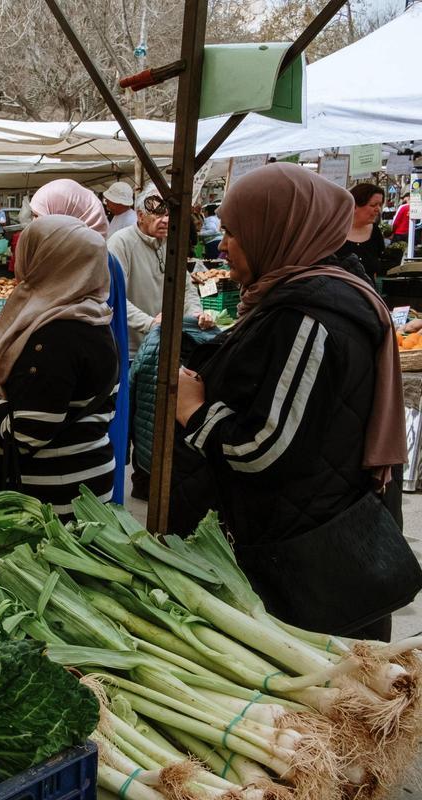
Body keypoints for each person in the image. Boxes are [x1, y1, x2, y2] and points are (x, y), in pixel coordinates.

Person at [173, 163, 413, 640]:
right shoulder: (293, 300)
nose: (223, 244)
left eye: (236, 232)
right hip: (291, 552)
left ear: (276, 230)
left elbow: (264, 448)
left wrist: (195, 411)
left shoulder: (310, 317)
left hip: (299, 576)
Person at [0, 215, 119, 513]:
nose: (16, 259)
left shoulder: (60, 332)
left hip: (51, 505)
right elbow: (32, 385)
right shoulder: (84, 314)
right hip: (70, 488)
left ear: (47, 260)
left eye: (27, 250)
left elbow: (25, 433)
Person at [30, 179, 130, 505]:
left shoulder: (95, 260)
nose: (35, 226)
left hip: (88, 384)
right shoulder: (91, 256)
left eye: (40, 218)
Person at [108, 185, 212, 355]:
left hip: (165, 345)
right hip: (131, 349)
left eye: (169, 214)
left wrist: (196, 313)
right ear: (141, 216)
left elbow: (185, 288)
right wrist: (150, 324)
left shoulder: (170, 243)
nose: (166, 220)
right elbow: (115, 298)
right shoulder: (120, 243)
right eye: (158, 214)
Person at [336, 183, 387, 280]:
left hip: (367, 292)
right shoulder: (335, 230)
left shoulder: (375, 231)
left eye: (380, 205)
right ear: (355, 205)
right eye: (373, 205)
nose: (378, 209)